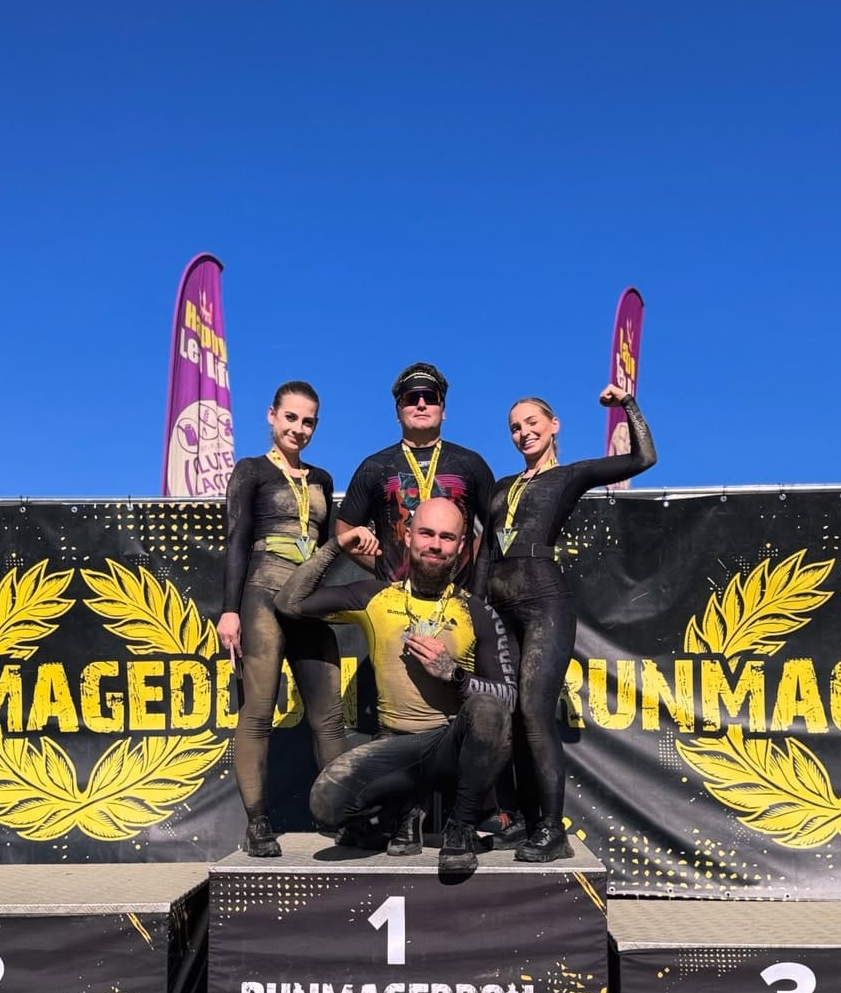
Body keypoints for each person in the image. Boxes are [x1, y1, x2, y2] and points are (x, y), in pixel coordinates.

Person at [275, 497, 516, 876]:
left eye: (447, 537)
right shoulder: (375, 596)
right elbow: (289, 602)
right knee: (326, 804)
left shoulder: (476, 611)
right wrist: (337, 546)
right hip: (396, 748)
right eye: (426, 533)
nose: (435, 544)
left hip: (450, 747)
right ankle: (404, 806)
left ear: (460, 547)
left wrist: (453, 674)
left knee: (489, 708)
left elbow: (508, 698)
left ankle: (461, 828)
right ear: (408, 536)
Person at [487, 385, 657, 863]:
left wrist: (627, 405)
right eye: (515, 427)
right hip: (499, 604)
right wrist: (478, 603)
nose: (523, 432)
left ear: (554, 425)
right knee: (508, 713)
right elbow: (484, 553)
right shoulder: (502, 486)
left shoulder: (570, 474)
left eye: (532, 422)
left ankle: (552, 830)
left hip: (544, 601)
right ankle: (522, 822)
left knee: (534, 709)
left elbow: (644, 458)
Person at [216, 382, 348, 857]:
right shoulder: (251, 470)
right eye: (291, 417)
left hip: (307, 601)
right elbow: (236, 540)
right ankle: (258, 824)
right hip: (262, 593)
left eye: (308, 421)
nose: (298, 428)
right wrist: (229, 610)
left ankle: (341, 819)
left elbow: (327, 549)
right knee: (258, 711)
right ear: (272, 416)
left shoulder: (323, 479)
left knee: (328, 716)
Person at [335, 362, 494, 596]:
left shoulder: (471, 463)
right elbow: (344, 531)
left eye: (430, 397)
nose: (421, 404)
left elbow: (495, 526)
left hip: (456, 599)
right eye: (411, 398)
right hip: (396, 601)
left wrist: (470, 567)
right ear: (398, 413)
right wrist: (383, 567)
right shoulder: (374, 467)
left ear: (443, 410)